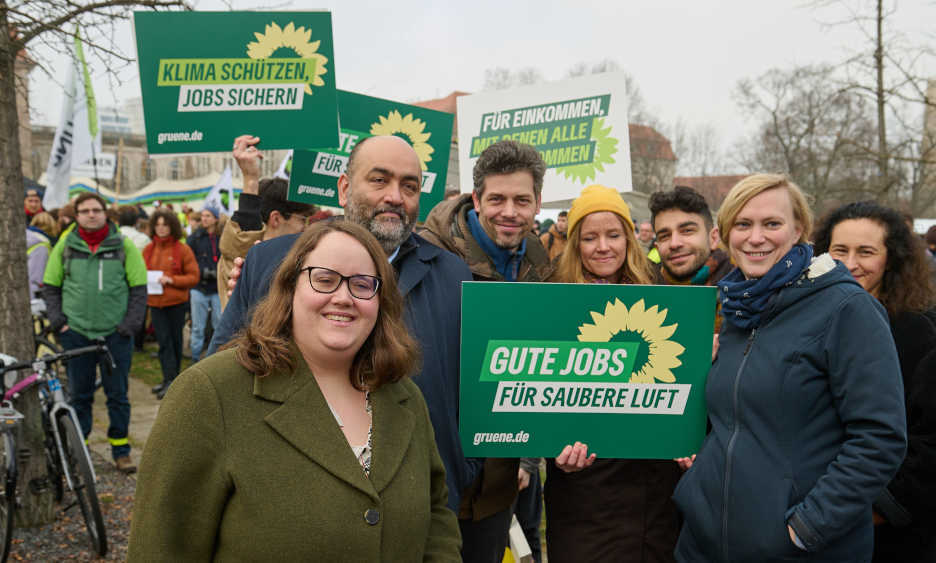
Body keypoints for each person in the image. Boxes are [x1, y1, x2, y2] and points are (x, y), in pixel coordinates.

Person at [130, 219, 461, 561]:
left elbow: (436, 517)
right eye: (325, 280)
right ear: (289, 287)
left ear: (381, 301)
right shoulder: (210, 395)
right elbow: (162, 547)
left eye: (363, 285)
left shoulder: (403, 397)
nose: (344, 297)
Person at [208, 135, 480, 522]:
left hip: (418, 512)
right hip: (292, 514)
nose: (395, 197)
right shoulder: (271, 262)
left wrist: (463, 466)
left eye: (409, 186)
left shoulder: (452, 275)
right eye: (379, 180)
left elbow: (471, 388)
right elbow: (226, 373)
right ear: (344, 187)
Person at [672, 174, 907, 561]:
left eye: (772, 224)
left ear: (799, 229)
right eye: (743, 224)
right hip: (706, 543)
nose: (756, 237)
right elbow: (739, 421)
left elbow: (879, 437)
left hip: (799, 549)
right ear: (725, 233)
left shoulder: (847, 309)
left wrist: (807, 527)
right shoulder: (736, 307)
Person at [814, 201, 936, 562]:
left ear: (893, 259)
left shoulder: (926, 336)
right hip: (817, 529)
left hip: (896, 541)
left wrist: (877, 510)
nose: (850, 263)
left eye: (866, 251)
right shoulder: (811, 327)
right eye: (839, 250)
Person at [545, 184, 694, 563]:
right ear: (575, 242)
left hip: (654, 488)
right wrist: (552, 447)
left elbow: (687, 385)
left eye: (613, 235)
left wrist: (690, 436)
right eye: (590, 237)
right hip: (585, 490)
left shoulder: (663, 293)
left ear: (629, 238)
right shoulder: (553, 298)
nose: (603, 247)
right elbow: (541, 395)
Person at [421, 139, 554, 563]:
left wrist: (528, 454)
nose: (510, 212)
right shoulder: (428, 254)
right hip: (430, 470)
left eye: (522, 200)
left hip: (498, 481)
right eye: (497, 199)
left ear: (538, 203)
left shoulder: (540, 263)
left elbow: (540, 364)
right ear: (476, 198)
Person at [41, 193, 147, 473]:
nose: (91, 215)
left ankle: (121, 451)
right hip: (76, 333)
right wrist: (59, 322)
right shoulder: (65, 244)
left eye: (96, 210)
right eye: (85, 210)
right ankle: (81, 449)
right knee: (80, 395)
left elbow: (138, 289)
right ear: (76, 215)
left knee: (118, 395)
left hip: (115, 335)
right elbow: (50, 286)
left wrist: (129, 326)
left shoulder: (123, 245)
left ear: (105, 214)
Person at [217, 134, 316, 309]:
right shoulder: (242, 256)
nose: (305, 228)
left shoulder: (295, 257)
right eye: (302, 219)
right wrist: (250, 179)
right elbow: (243, 237)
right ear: (276, 218)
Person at [144, 210, 199, 400]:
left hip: (175, 303)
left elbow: (193, 277)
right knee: (163, 343)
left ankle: (173, 381)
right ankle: (167, 378)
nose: (161, 228)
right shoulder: (148, 249)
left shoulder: (182, 250)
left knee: (174, 343)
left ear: (172, 226)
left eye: (165, 225)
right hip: (155, 303)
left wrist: (172, 280)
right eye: (158, 224)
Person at [650, 186, 732, 288]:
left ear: (713, 238)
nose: (674, 244)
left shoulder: (743, 287)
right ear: (657, 248)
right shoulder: (643, 289)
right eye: (665, 236)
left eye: (687, 231)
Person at [186, 207, 223, 362]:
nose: (204, 219)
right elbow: (188, 260)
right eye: (202, 216)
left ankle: (213, 362)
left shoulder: (222, 237)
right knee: (197, 328)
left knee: (219, 326)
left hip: (217, 289)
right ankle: (195, 360)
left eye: (208, 216)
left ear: (215, 218)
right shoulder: (195, 237)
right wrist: (201, 271)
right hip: (199, 288)